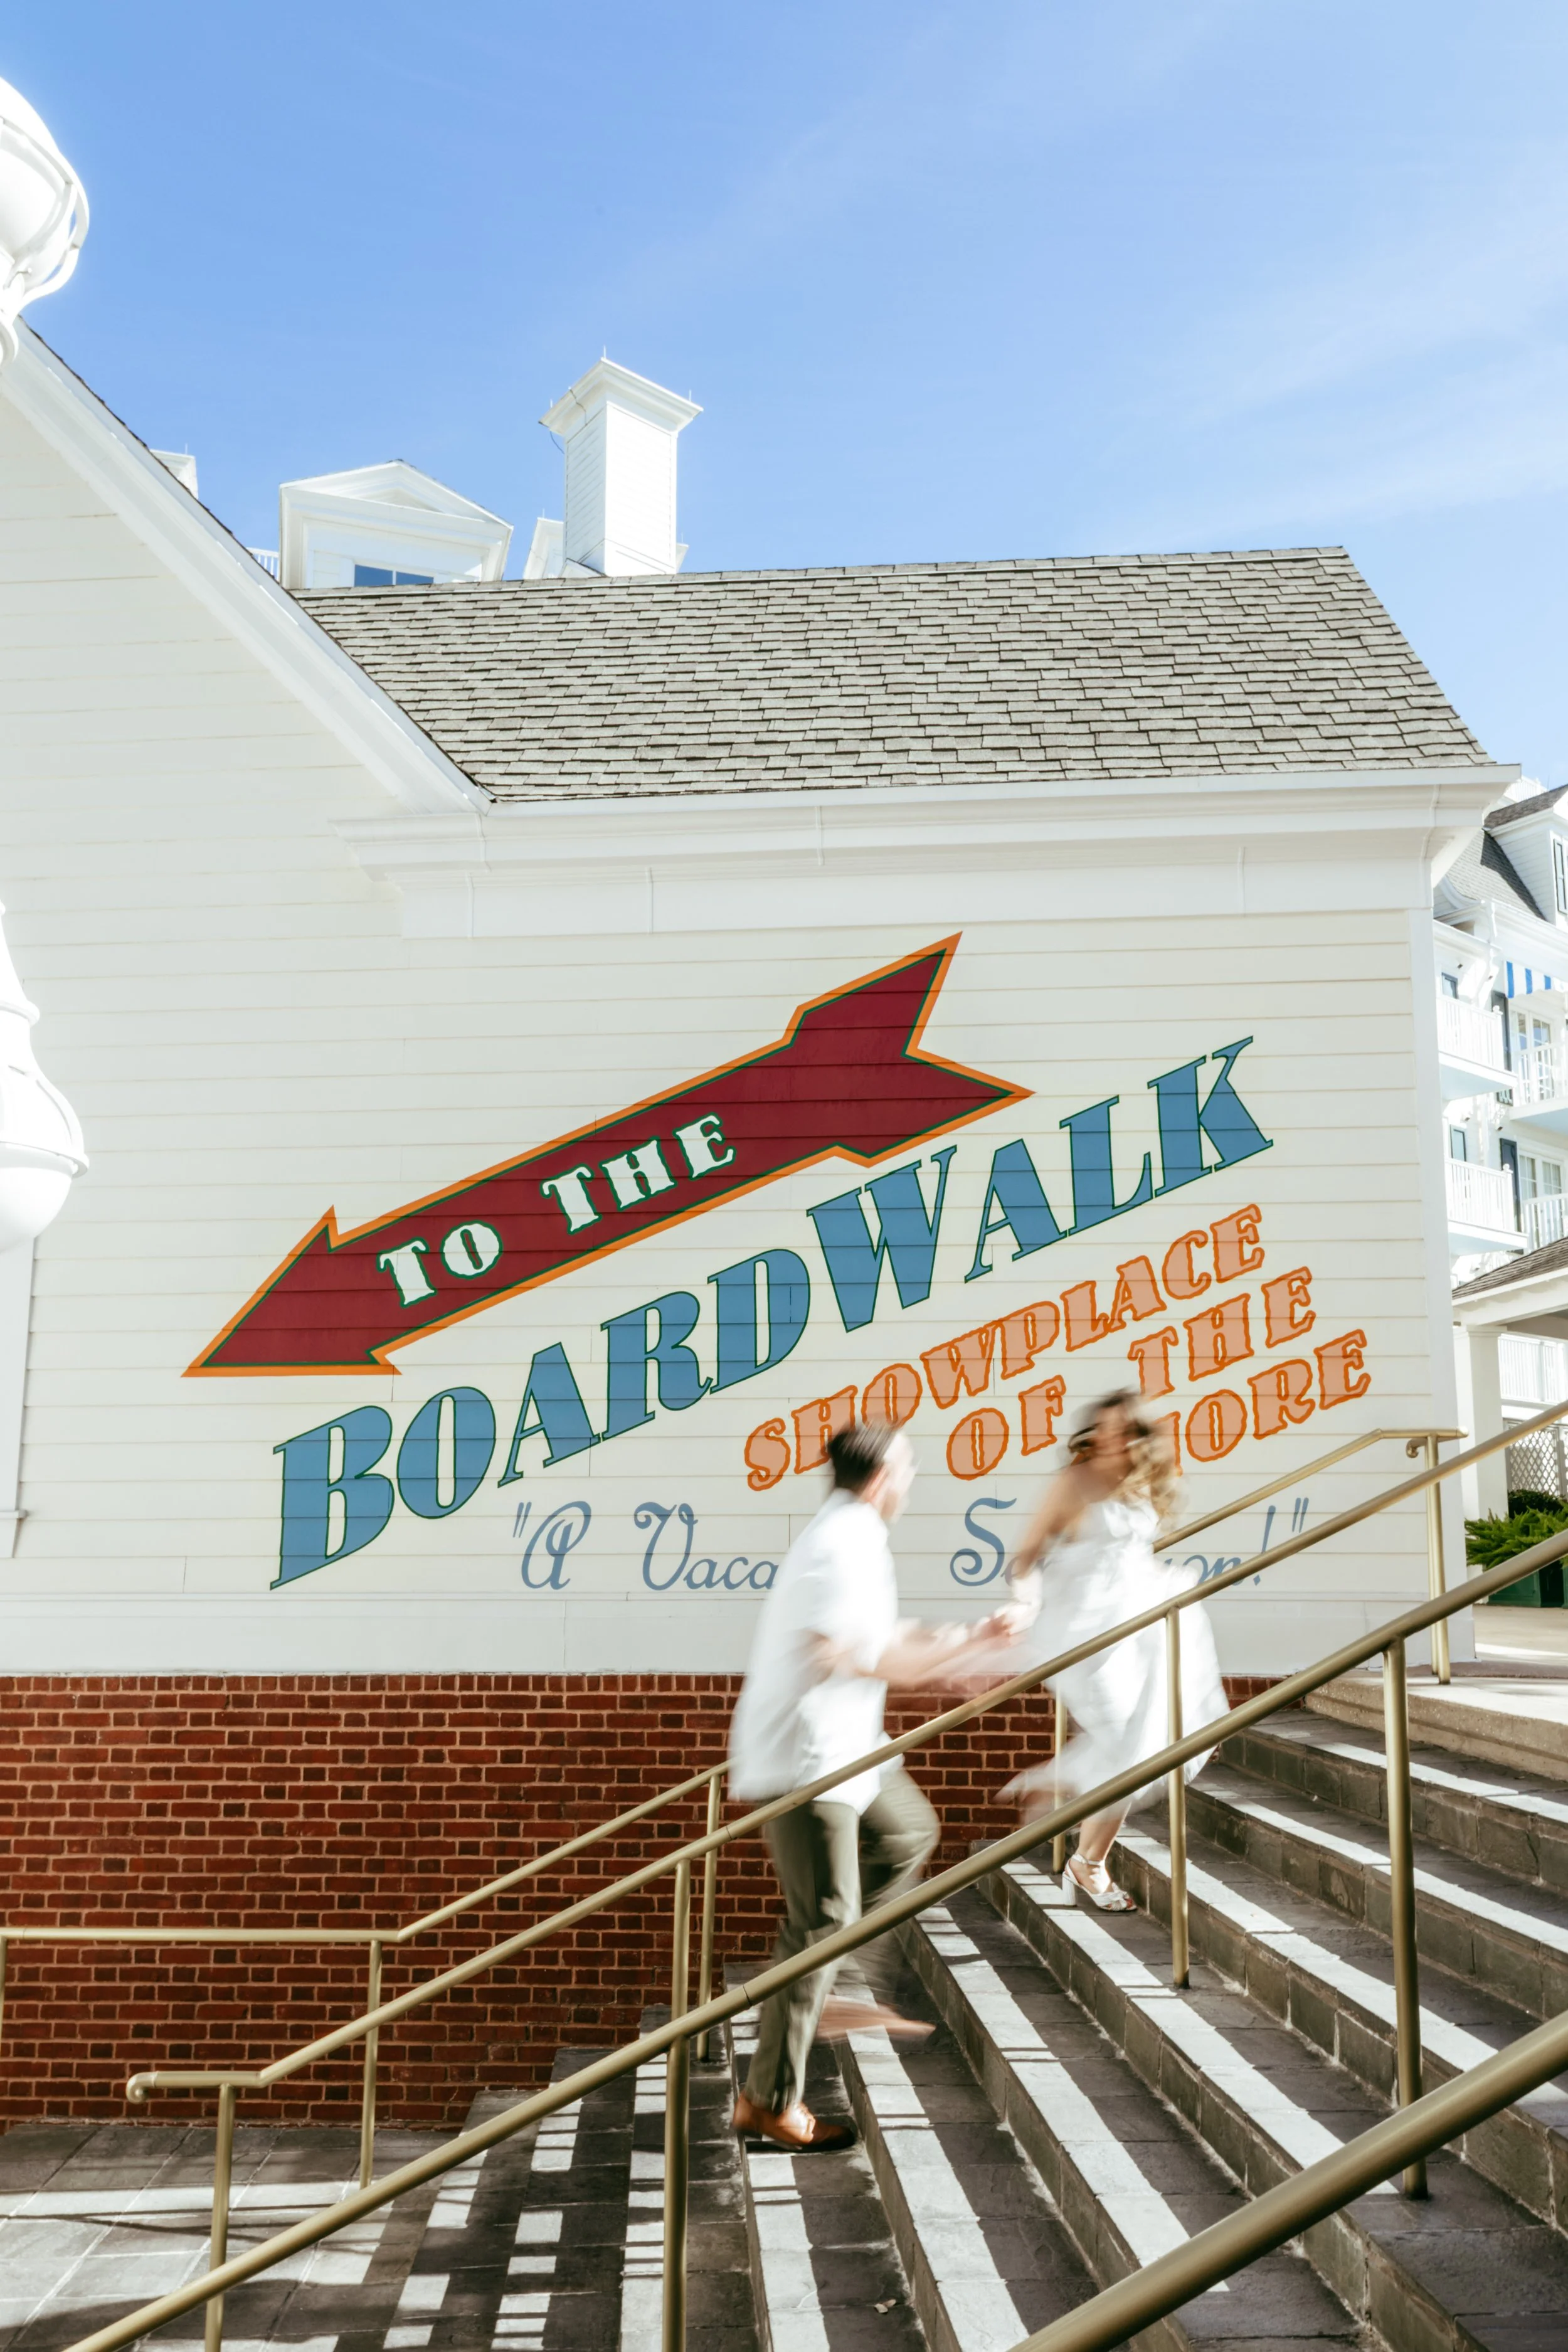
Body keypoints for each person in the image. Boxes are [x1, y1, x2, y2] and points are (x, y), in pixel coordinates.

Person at [728, 1419, 1025, 2152]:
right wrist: (964, 1649)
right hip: (810, 1761)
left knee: (906, 1832)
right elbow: (852, 1653)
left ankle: (837, 1977)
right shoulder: (842, 1543)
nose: (914, 1481)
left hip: (851, 1752)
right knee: (825, 1916)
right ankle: (770, 2097)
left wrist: (964, 1645)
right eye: (912, 1467)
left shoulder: (854, 1537)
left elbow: (879, 1644)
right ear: (886, 1474)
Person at [1002, 1390, 1227, 1910]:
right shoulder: (1073, 1482)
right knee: (1127, 1739)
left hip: (1137, 1622)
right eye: (1103, 1428)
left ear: (1138, 1437)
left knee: (1145, 1740)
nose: (1110, 1438)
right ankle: (1077, 1823)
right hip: (1083, 1624)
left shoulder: (1142, 1483)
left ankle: (1088, 1856)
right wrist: (1023, 1601)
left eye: (1123, 1429)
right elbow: (1027, 1557)